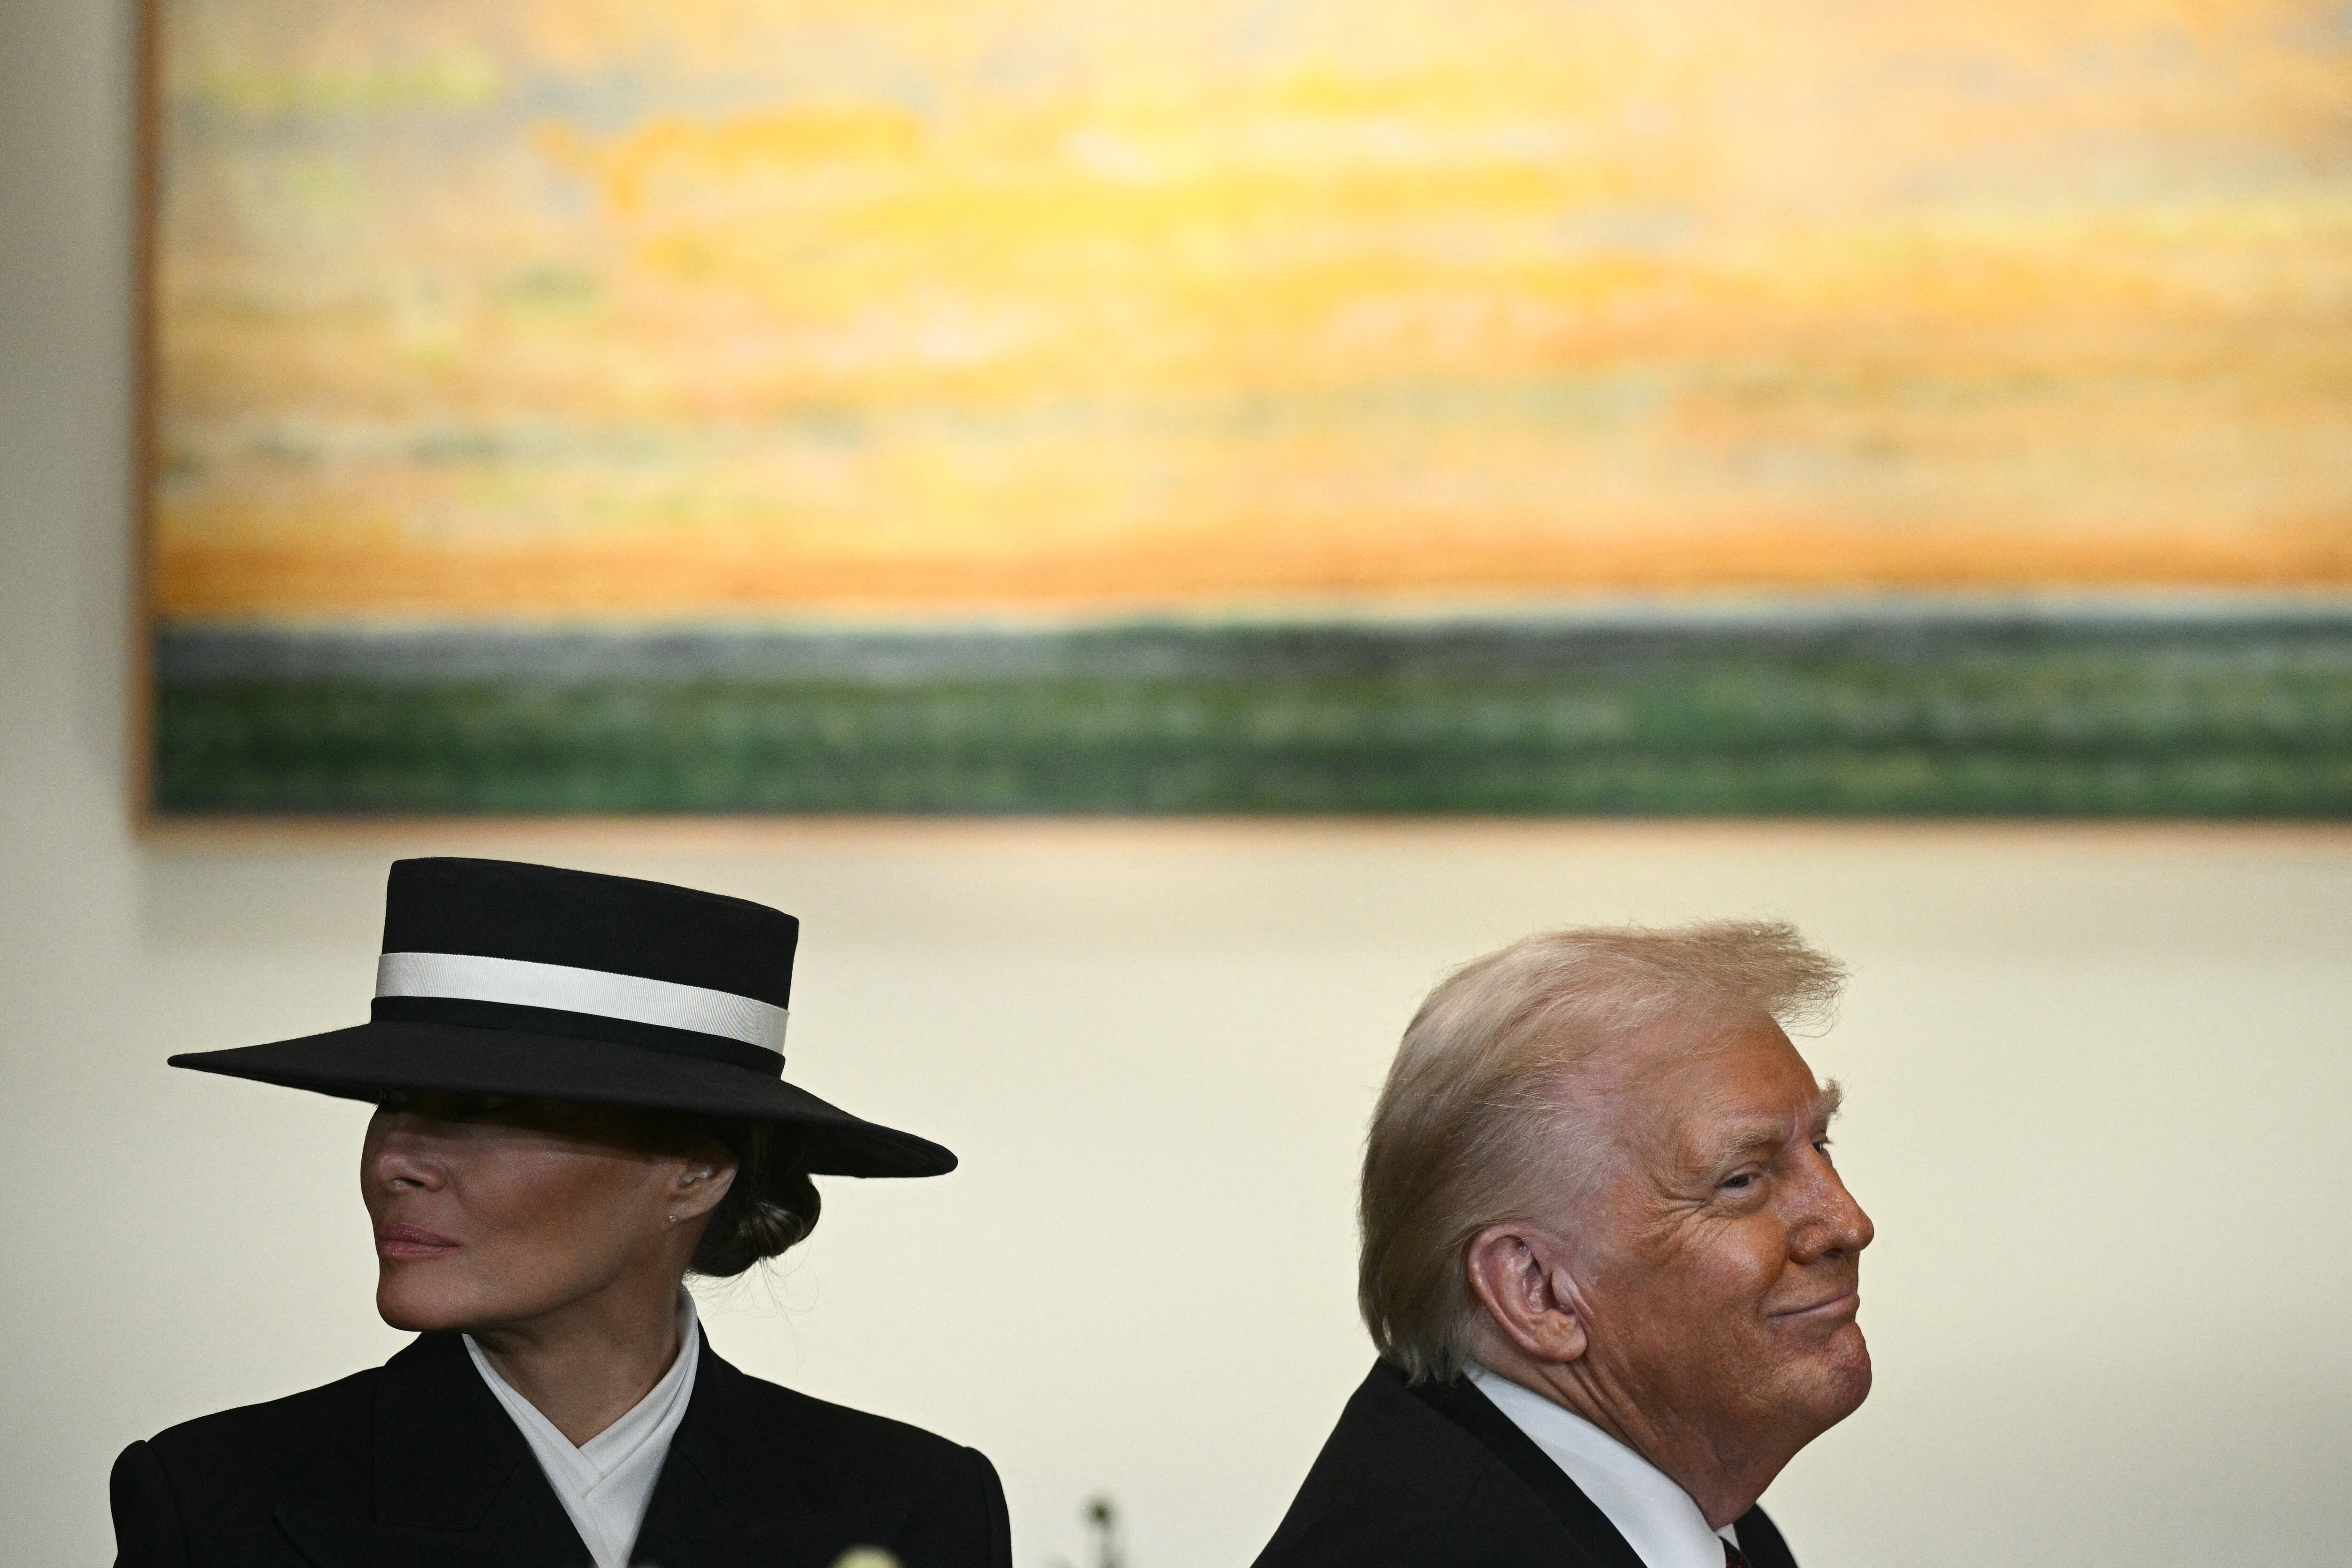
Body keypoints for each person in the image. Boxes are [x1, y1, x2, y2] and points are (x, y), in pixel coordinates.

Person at [109, 856, 1011, 1568]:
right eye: (392, 1102)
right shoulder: (214, 1502)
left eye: (484, 1110)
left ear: (696, 1170)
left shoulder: (918, 1506)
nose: (392, 1162)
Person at [1253, 921, 1873, 1568]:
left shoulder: (1714, 1530)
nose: (1850, 1222)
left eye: (1820, 1144)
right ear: (1538, 1291)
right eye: (1741, 1180)